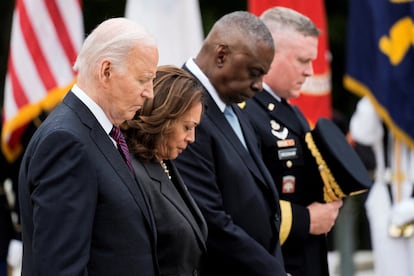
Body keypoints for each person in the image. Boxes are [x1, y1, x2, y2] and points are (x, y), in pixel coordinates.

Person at [18, 17, 159, 275]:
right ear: (106, 71)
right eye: (143, 79)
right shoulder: (66, 142)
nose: (150, 92)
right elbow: (60, 268)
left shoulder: (100, 132)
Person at [174, 11, 287, 276]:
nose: (260, 85)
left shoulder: (232, 103)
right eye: (254, 72)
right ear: (221, 55)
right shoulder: (182, 106)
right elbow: (208, 219)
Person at [241, 7, 342, 276]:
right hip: (274, 262)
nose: (310, 71)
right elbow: (243, 201)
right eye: (302, 60)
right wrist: (305, 220)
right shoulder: (243, 113)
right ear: (269, 55)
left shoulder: (290, 111)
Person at [122, 65, 208, 275]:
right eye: (187, 127)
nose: (192, 138)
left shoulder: (163, 161)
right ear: (163, 118)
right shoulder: (133, 172)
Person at [349, 96, 414, 276]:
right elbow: (362, 132)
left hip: (410, 194)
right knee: (389, 269)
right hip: (385, 195)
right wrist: (377, 91)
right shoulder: (381, 100)